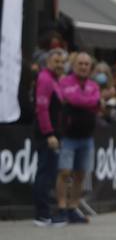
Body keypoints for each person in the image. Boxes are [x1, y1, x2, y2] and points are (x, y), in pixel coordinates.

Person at [55, 52, 100, 225]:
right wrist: (86, 101)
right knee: (65, 172)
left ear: (90, 67)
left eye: (86, 64)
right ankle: (61, 206)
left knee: (80, 174)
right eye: (80, 63)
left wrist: (83, 100)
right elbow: (72, 98)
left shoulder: (93, 85)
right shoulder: (65, 82)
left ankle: (73, 207)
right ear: (74, 66)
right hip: (68, 136)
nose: (83, 67)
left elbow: (94, 100)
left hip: (87, 137)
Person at [31, 49, 67, 226]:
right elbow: (42, 108)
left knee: (49, 173)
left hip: (53, 133)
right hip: (47, 134)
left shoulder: (53, 80)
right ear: (47, 63)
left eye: (62, 62)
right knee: (45, 173)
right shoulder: (45, 79)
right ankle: (42, 214)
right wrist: (49, 133)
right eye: (56, 61)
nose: (60, 65)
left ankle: (45, 212)